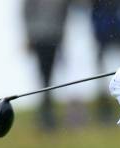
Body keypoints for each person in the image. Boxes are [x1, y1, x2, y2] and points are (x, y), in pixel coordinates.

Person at [23, 0, 71, 130]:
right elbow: (27, 13)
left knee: (49, 78)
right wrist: (29, 36)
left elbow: (64, 13)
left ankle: (48, 114)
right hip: (40, 38)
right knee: (45, 78)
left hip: (54, 37)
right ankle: (46, 114)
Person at [90, 0, 120, 121]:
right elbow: (93, 11)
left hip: (119, 32)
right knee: (101, 73)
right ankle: (104, 105)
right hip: (103, 34)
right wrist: (99, 30)